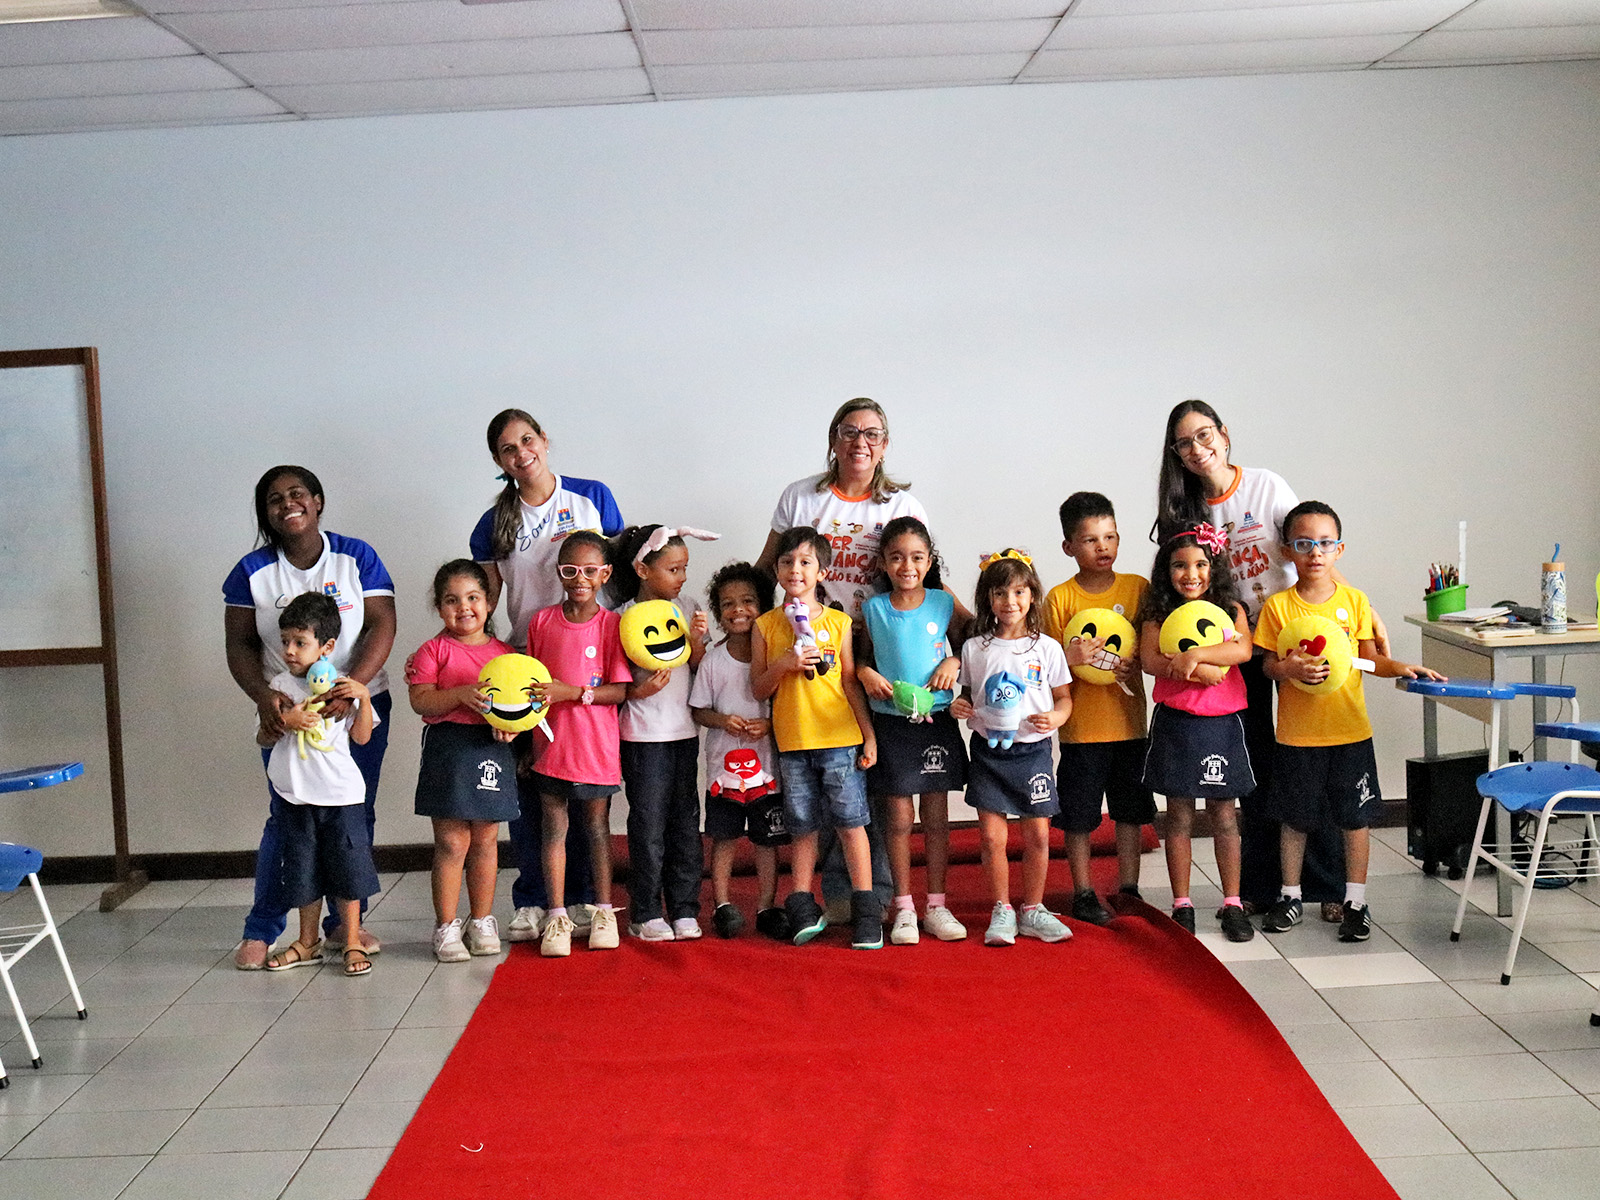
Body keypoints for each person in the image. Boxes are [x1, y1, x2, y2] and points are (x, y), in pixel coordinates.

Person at [1152, 400, 1389, 918]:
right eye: (1184, 442)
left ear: (1224, 433)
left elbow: (1314, 549)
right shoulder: (1184, 510)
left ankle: (1327, 887)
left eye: (1204, 434)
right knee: (1255, 764)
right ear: (1176, 453)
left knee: (1313, 755)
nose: (1197, 448)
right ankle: (1263, 885)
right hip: (1237, 648)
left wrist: (1364, 610)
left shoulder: (1266, 487)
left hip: (1298, 636)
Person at [756, 399, 929, 919]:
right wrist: (745, 633)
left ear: (885, 444)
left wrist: (974, 628)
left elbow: (925, 575)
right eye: (850, 431)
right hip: (809, 650)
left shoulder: (901, 504)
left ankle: (873, 895)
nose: (861, 442)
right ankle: (834, 896)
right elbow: (766, 567)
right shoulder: (800, 496)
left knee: (861, 775)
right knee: (820, 770)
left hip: (878, 650)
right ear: (833, 439)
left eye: (872, 433)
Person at [224, 465, 395, 970]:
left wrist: (350, 689)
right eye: (274, 499)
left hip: (358, 703)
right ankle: (263, 928)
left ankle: (345, 927)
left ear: (317, 500)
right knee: (287, 821)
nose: (287, 504)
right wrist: (265, 699)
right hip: (286, 710)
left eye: (297, 493)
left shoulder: (356, 557)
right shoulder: (252, 571)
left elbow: (382, 624)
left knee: (352, 817)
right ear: (266, 513)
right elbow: (239, 644)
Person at [469, 409, 625, 944]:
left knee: (585, 785)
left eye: (527, 440)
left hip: (591, 656)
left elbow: (621, 572)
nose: (522, 453)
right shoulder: (494, 523)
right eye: (508, 448)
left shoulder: (591, 498)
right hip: (526, 657)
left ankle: (584, 898)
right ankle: (535, 899)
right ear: (498, 460)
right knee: (533, 782)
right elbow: (487, 599)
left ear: (544, 440)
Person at [1254, 502, 1443, 943]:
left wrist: (1402, 667)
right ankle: (1290, 896)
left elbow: (1369, 660)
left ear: (1339, 550)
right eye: (1304, 544)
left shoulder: (1354, 601)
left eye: (1325, 544)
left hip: (1350, 732)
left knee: (1355, 819)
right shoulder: (1278, 607)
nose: (1315, 553)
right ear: (1287, 551)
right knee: (1295, 819)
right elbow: (1267, 666)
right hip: (1297, 736)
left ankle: (1355, 900)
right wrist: (1288, 669)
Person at [750, 528, 880, 949]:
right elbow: (758, 688)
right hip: (793, 744)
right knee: (802, 827)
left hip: (839, 739)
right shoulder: (766, 626)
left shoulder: (838, 623)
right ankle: (802, 904)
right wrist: (784, 664)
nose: (795, 570)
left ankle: (866, 909)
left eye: (806, 562)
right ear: (776, 569)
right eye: (787, 562)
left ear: (822, 572)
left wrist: (868, 736)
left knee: (851, 823)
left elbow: (849, 683)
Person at [1136, 524, 1256, 943]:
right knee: (1179, 815)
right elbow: (1151, 659)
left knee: (1224, 814)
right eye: (1180, 565)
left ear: (1214, 567)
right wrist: (1200, 671)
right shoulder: (1158, 613)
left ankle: (1233, 903)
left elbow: (1241, 650)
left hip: (1224, 723)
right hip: (1177, 723)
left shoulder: (1230, 609)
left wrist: (1194, 656)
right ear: (1165, 570)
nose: (1191, 574)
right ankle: (1182, 904)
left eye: (1201, 564)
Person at [1041, 492, 1154, 926]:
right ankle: (1083, 891)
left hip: (1130, 726)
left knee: (1130, 811)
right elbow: (1045, 666)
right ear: (1069, 546)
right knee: (1078, 817)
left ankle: (1129, 888)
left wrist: (1135, 662)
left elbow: (1152, 647)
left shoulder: (1137, 589)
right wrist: (1069, 658)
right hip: (1081, 730)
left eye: (1110, 537)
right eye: (1090, 540)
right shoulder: (1059, 598)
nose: (1102, 547)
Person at [951, 550, 1073, 947]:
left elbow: (1064, 699)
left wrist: (1056, 717)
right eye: (1000, 592)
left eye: (1019, 591)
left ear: (1032, 595)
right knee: (991, 838)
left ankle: (1033, 909)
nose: (1010, 601)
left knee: (1038, 835)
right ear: (988, 598)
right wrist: (959, 706)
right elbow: (968, 695)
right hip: (988, 752)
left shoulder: (1047, 648)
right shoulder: (975, 648)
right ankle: (1002, 909)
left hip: (1033, 752)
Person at [857, 517, 969, 944]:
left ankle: (936, 906)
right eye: (897, 557)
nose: (907, 566)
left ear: (929, 561)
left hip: (936, 723)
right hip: (892, 724)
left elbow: (973, 640)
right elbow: (861, 659)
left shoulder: (943, 602)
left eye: (917, 557)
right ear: (883, 563)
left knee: (936, 818)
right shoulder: (874, 608)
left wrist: (953, 661)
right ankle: (903, 907)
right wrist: (866, 673)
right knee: (900, 818)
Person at [258, 593, 380, 977]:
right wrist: (285, 722)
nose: (289, 651)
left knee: (347, 868)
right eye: (285, 641)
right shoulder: (278, 686)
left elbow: (362, 738)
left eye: (300, 642)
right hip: (295, 797)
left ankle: (352, 939)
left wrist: (363, 698)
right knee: (301, 869)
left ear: (326, 647)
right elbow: (262, 736)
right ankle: (307, 940)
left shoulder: (342, 686)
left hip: (340, 797)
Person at [524, 532, 633, 957]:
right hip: (550, 747)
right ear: (558, 572)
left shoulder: (612, 625)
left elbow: (618, 691)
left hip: (595, 748)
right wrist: (524, 739)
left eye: (590, 571)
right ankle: (556, 915)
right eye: (570, 570)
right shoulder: (541, 622)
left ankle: (603, 911)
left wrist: (572, 693)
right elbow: (531, 687)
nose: (580, 579)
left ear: (606, 574)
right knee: (553, 829)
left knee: (596, 828)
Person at [405, 561, 520, 964]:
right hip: (448, 749)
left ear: (489, 603)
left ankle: (482, 921)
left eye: (473, 598)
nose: (464, 607)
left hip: (491, 749)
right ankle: (446, 925)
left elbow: (520, 707)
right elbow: (420, 699)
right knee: (452, 842)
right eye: (452, 600)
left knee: (486, 839)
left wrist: (512, 729)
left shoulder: (506, 655)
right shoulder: (432, 651)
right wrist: (459, 694)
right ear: (439, 608)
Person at [612, 524, 715, 941]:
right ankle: (646, 911)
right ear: (642, 569)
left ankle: (685, 908)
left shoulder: (687, 607)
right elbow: (613, 682)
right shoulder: (621, 616)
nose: (682, 577)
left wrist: (698, 642)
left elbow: (700, 667)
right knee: (648, 825)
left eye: (684, 568)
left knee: (686, 823)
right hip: (642, 737)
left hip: (683, 733)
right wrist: (638, 691)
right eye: (673, 569)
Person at [689, 561, 789, 940]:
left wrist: (771, 726)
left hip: (768, 773)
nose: (738, 610)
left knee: (767, 841)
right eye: (728, 604)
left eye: (748, 601)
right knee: (724, 837)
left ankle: (766, 906)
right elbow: (698, 711)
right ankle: (722, 905)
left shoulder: (777, 656)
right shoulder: (714, 661)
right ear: (718, 612)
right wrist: (722, 720)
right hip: (723, 775)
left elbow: (790, 707)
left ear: (763, 606)